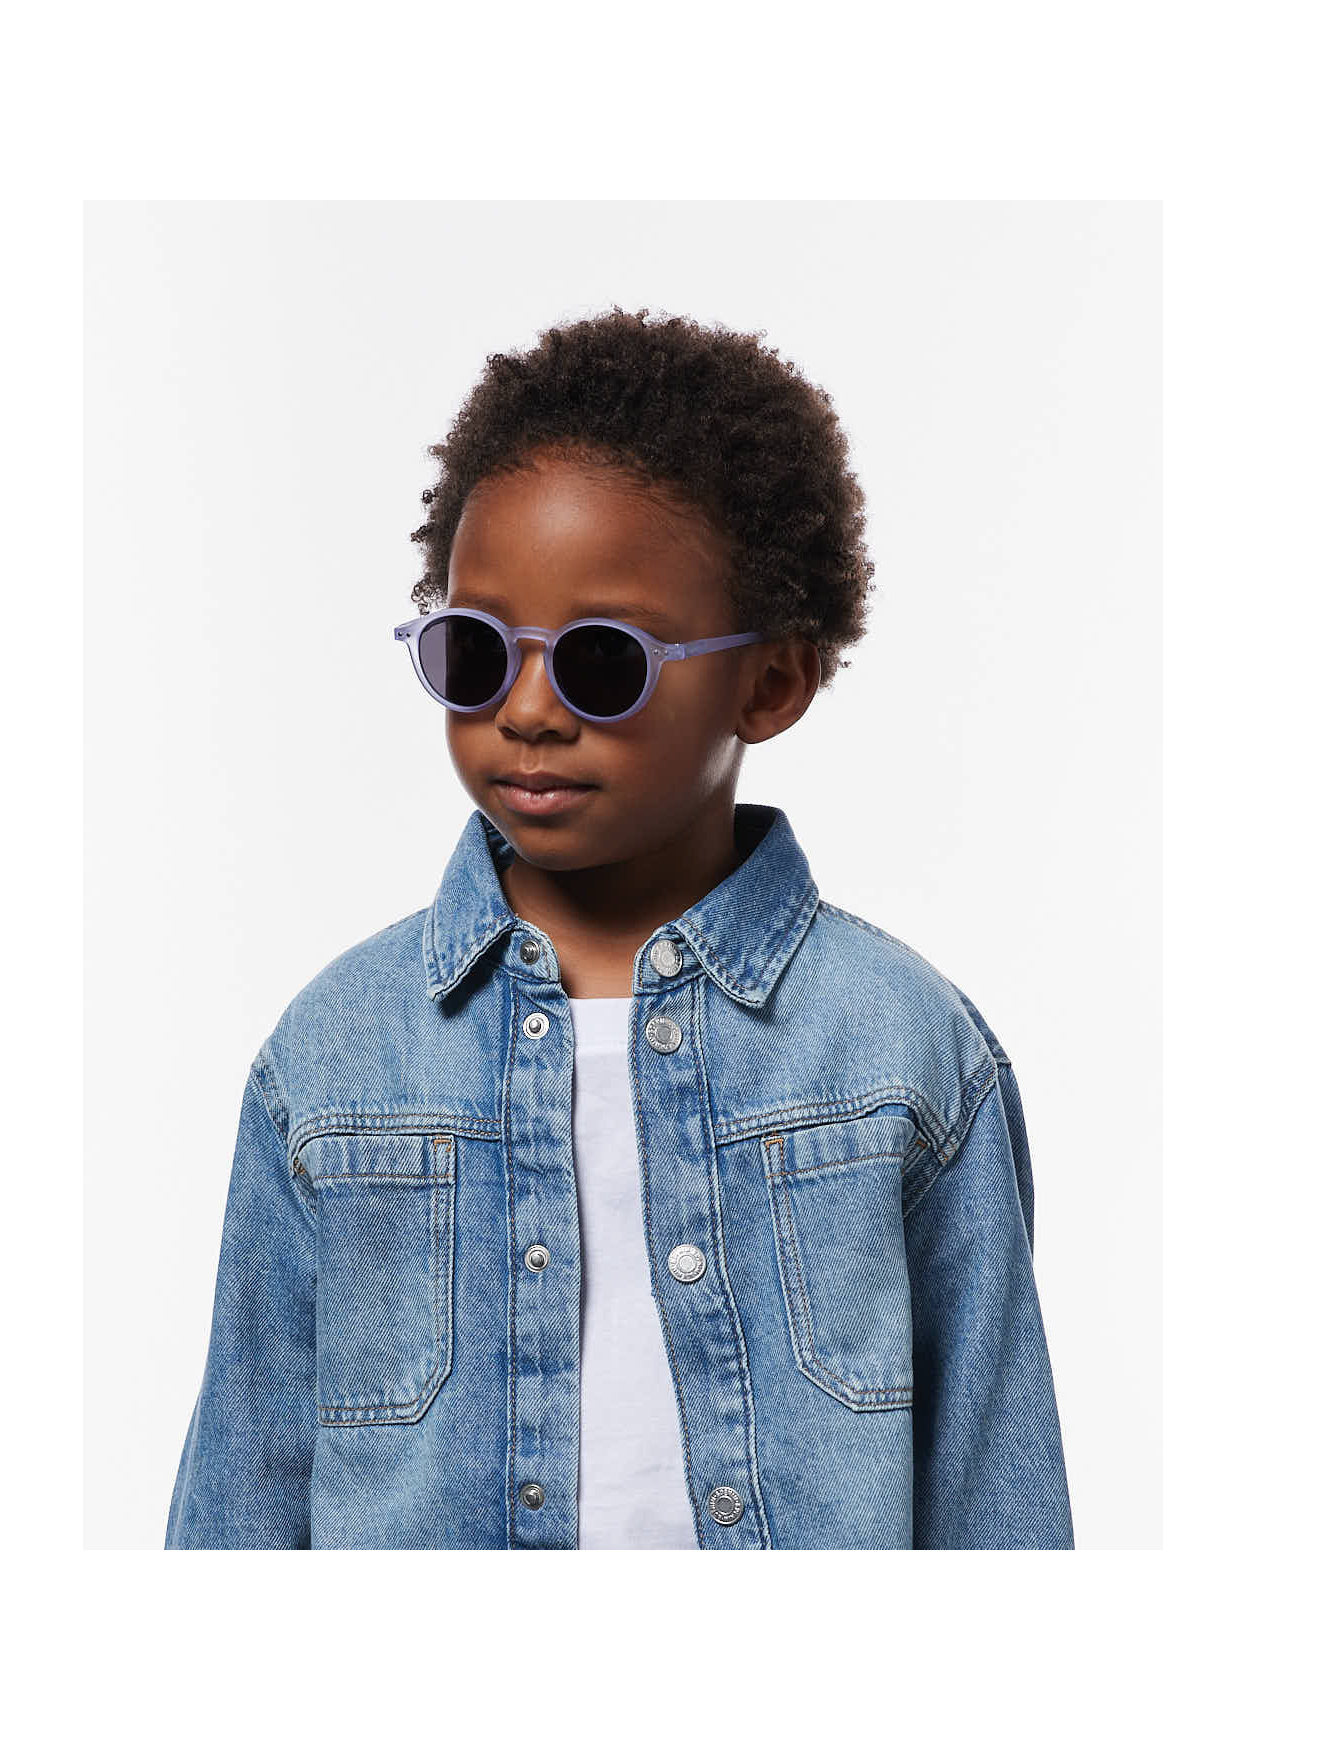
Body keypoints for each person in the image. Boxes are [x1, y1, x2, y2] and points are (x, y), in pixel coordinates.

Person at [165, 306, 1074, 1550]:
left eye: (602, 662)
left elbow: (994, 1490)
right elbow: (241, 1488)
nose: (528, 710)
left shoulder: (899, 1047)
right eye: (475, 653)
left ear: (770, 681)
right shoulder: (334, 1054)